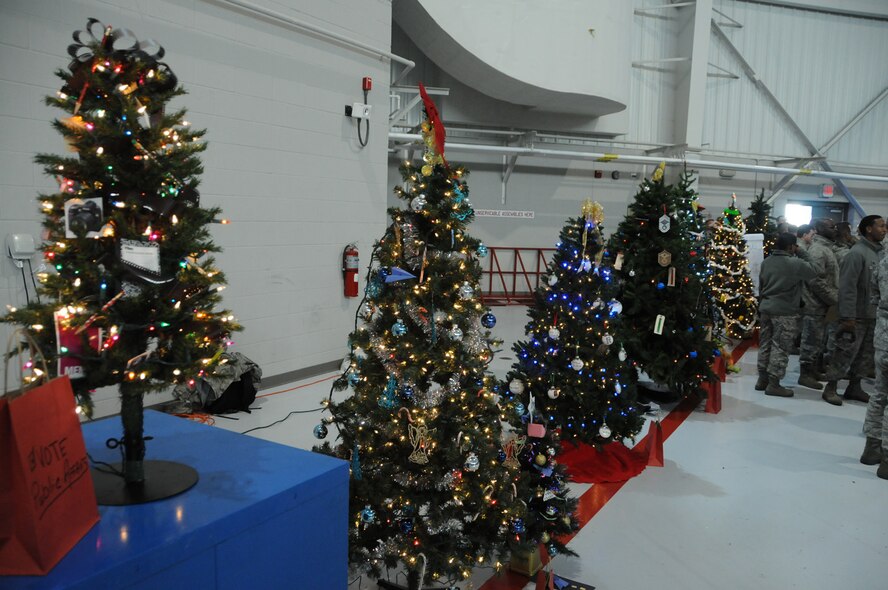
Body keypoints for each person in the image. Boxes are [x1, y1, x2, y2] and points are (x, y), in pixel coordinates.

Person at [821, 215, 886, 405]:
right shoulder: (856, 254)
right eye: (881, 226)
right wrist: (847, 316)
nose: (884, 230)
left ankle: (854, 387)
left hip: (872, 315)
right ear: (868, 229)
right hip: (855, 316)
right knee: (844, 352)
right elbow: (847, 287)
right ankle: (831, 387)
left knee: (865, 356)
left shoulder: (879, 253)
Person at [756, 232, 818, 397]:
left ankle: (762, 379)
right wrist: (802, 252)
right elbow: (815, 270)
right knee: (780, 347)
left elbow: (761, 286)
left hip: (766, 308)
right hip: (784, 311)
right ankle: (774, 383)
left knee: (765, 344)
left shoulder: (766, 262)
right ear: (792, 247)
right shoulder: (795, 263)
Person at [798, 219, 839, 389]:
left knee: (818, 340)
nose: (835, 229)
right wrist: (833, 298)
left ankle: (813, 370)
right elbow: (815, 280)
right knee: (810, 340)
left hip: (822, 305)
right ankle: (805, 374)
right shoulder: (818, 250)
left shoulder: (826, 248)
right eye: (831, 227)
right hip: (814, 304)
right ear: (820, 229)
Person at [864, 251, 888, 478]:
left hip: (882, 335)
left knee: (880, 392)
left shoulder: (882, 260)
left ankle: (871, 448)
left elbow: (874, 296)